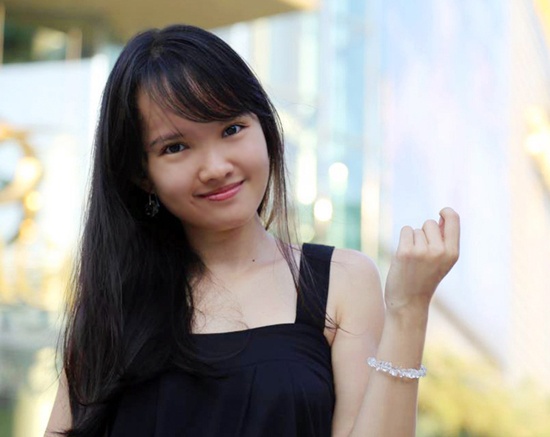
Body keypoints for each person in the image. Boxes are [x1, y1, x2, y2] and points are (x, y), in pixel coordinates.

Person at [45, 24, 460, 437]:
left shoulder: (341, 281)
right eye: (175, 147)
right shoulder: (113, 301)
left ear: (264, 127)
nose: (215, 167)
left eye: (231, 129)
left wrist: (409, 309)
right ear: (142, 174)